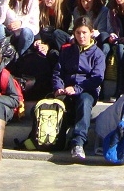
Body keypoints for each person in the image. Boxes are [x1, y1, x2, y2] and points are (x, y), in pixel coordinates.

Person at [53, 17, 105, 160]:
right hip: (66, 89)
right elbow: (58, 72)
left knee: (84, 102)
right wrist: (59, 87)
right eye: (78, 33)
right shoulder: (67, 51)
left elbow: (97, 78)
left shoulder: (98, 54)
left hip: (87, 90)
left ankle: (78, 142)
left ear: (91, 33)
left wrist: (77, 88)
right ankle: (53, 140)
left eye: (84, 33)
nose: (81, 36)